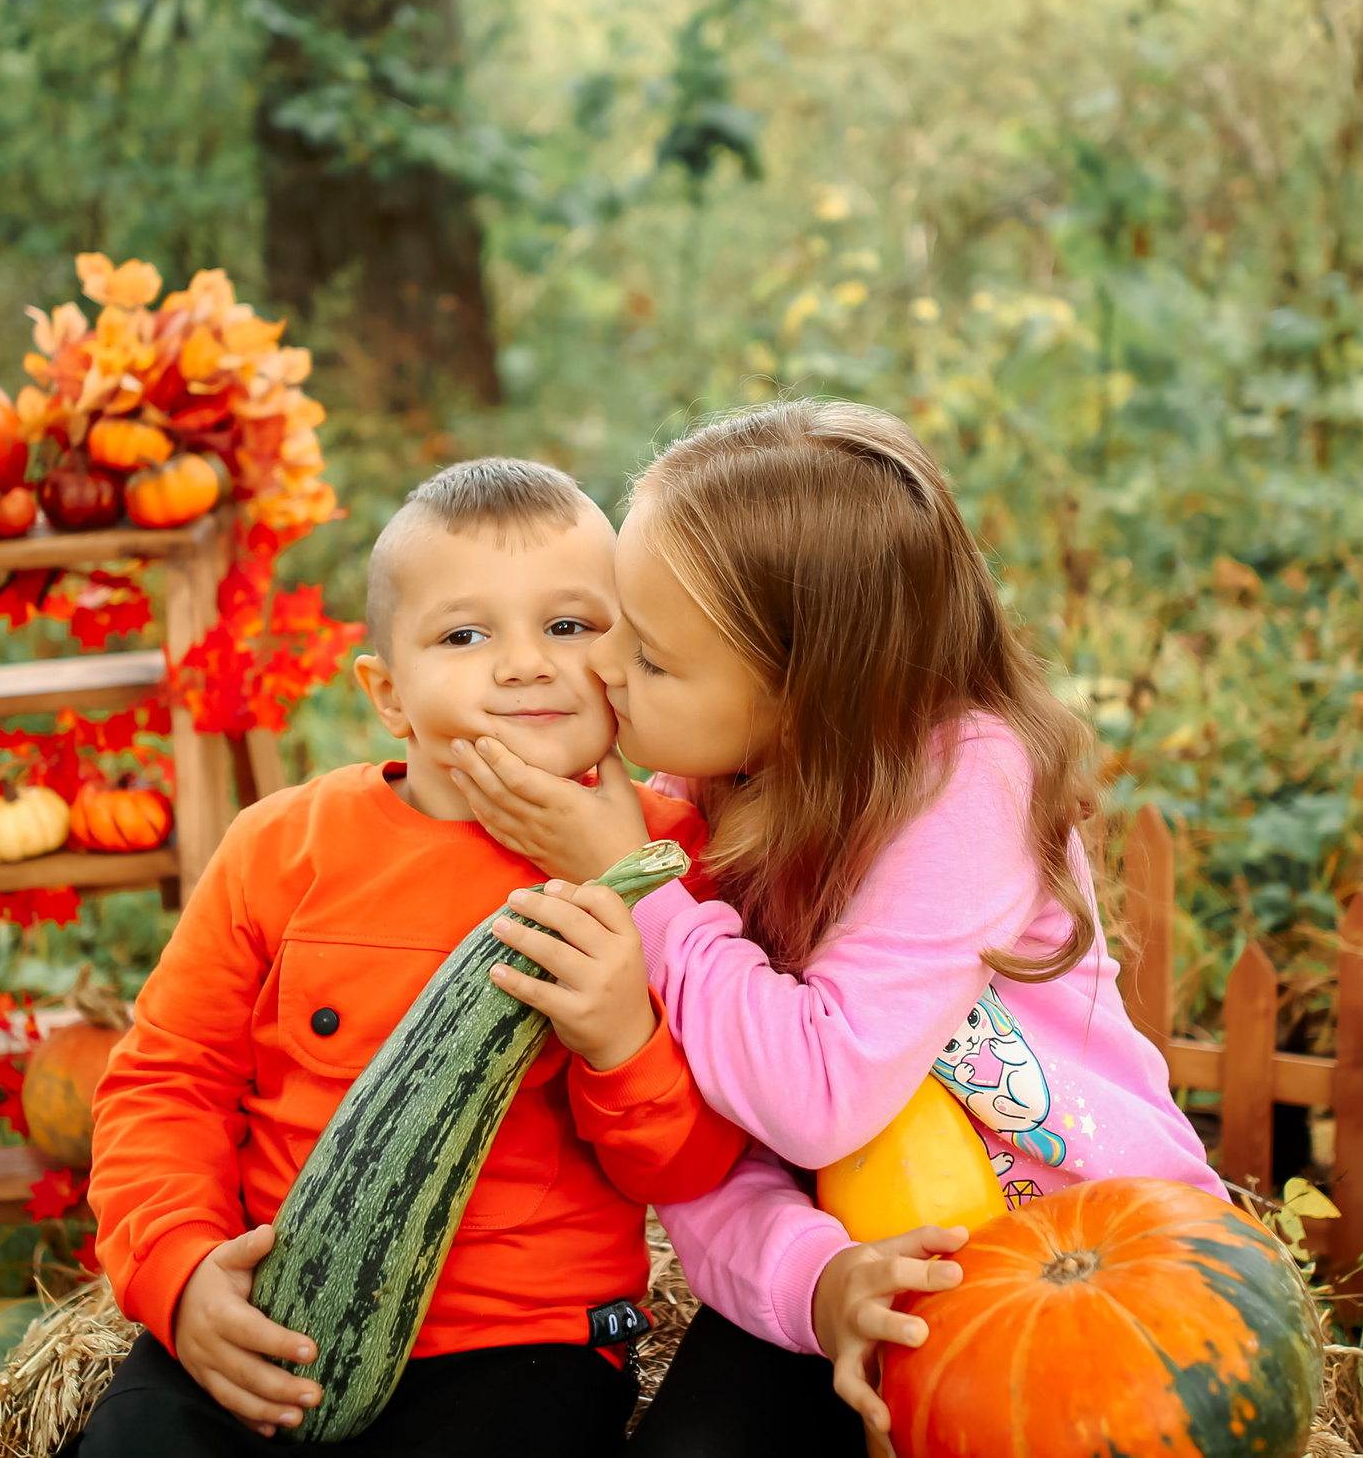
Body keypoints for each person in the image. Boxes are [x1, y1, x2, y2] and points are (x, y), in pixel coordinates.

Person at [451, 401, 1224, 1455]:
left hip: (1092, 1258)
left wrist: (635, 889)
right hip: (846, 1265)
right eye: (615, 624)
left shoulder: (970, 780)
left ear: (807, 701)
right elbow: (703, 1154)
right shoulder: (696, 796)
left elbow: (815, 1097)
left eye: (657, 660)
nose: (605, 670)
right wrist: (816, 1287)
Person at [71, 458, 747, 1458]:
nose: (524, 664)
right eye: (465, 635)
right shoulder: (280, 848)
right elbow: (167, 1085)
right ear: (387, 693)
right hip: (275, 1308)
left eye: (569, 625)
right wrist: (178, 1271)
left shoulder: (665, 865)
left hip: (522, 1343)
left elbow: (695, 1166)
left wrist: (620, 1038)